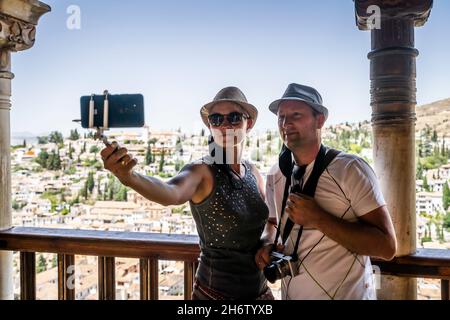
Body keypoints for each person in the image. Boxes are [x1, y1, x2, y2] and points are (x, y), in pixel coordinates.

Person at [100, 87, 273, 300]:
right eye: (216, 119)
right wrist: (130, 178)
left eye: (234, 117)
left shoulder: (253, 173)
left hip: (260, 293)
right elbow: (171, 192)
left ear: (250, 123)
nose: (225, 125)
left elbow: (269, 222)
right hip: (215, 295)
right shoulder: (202, 171)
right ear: (210, 126)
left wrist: (267, 242)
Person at [255, 83, 397, 300]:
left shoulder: (350, 170)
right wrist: (267, 243)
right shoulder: (277, 173)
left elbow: (387, 247)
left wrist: (319, 218)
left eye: (296, 114)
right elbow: (272, 224)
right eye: (281, 117)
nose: (286, 123)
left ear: (319, 120)